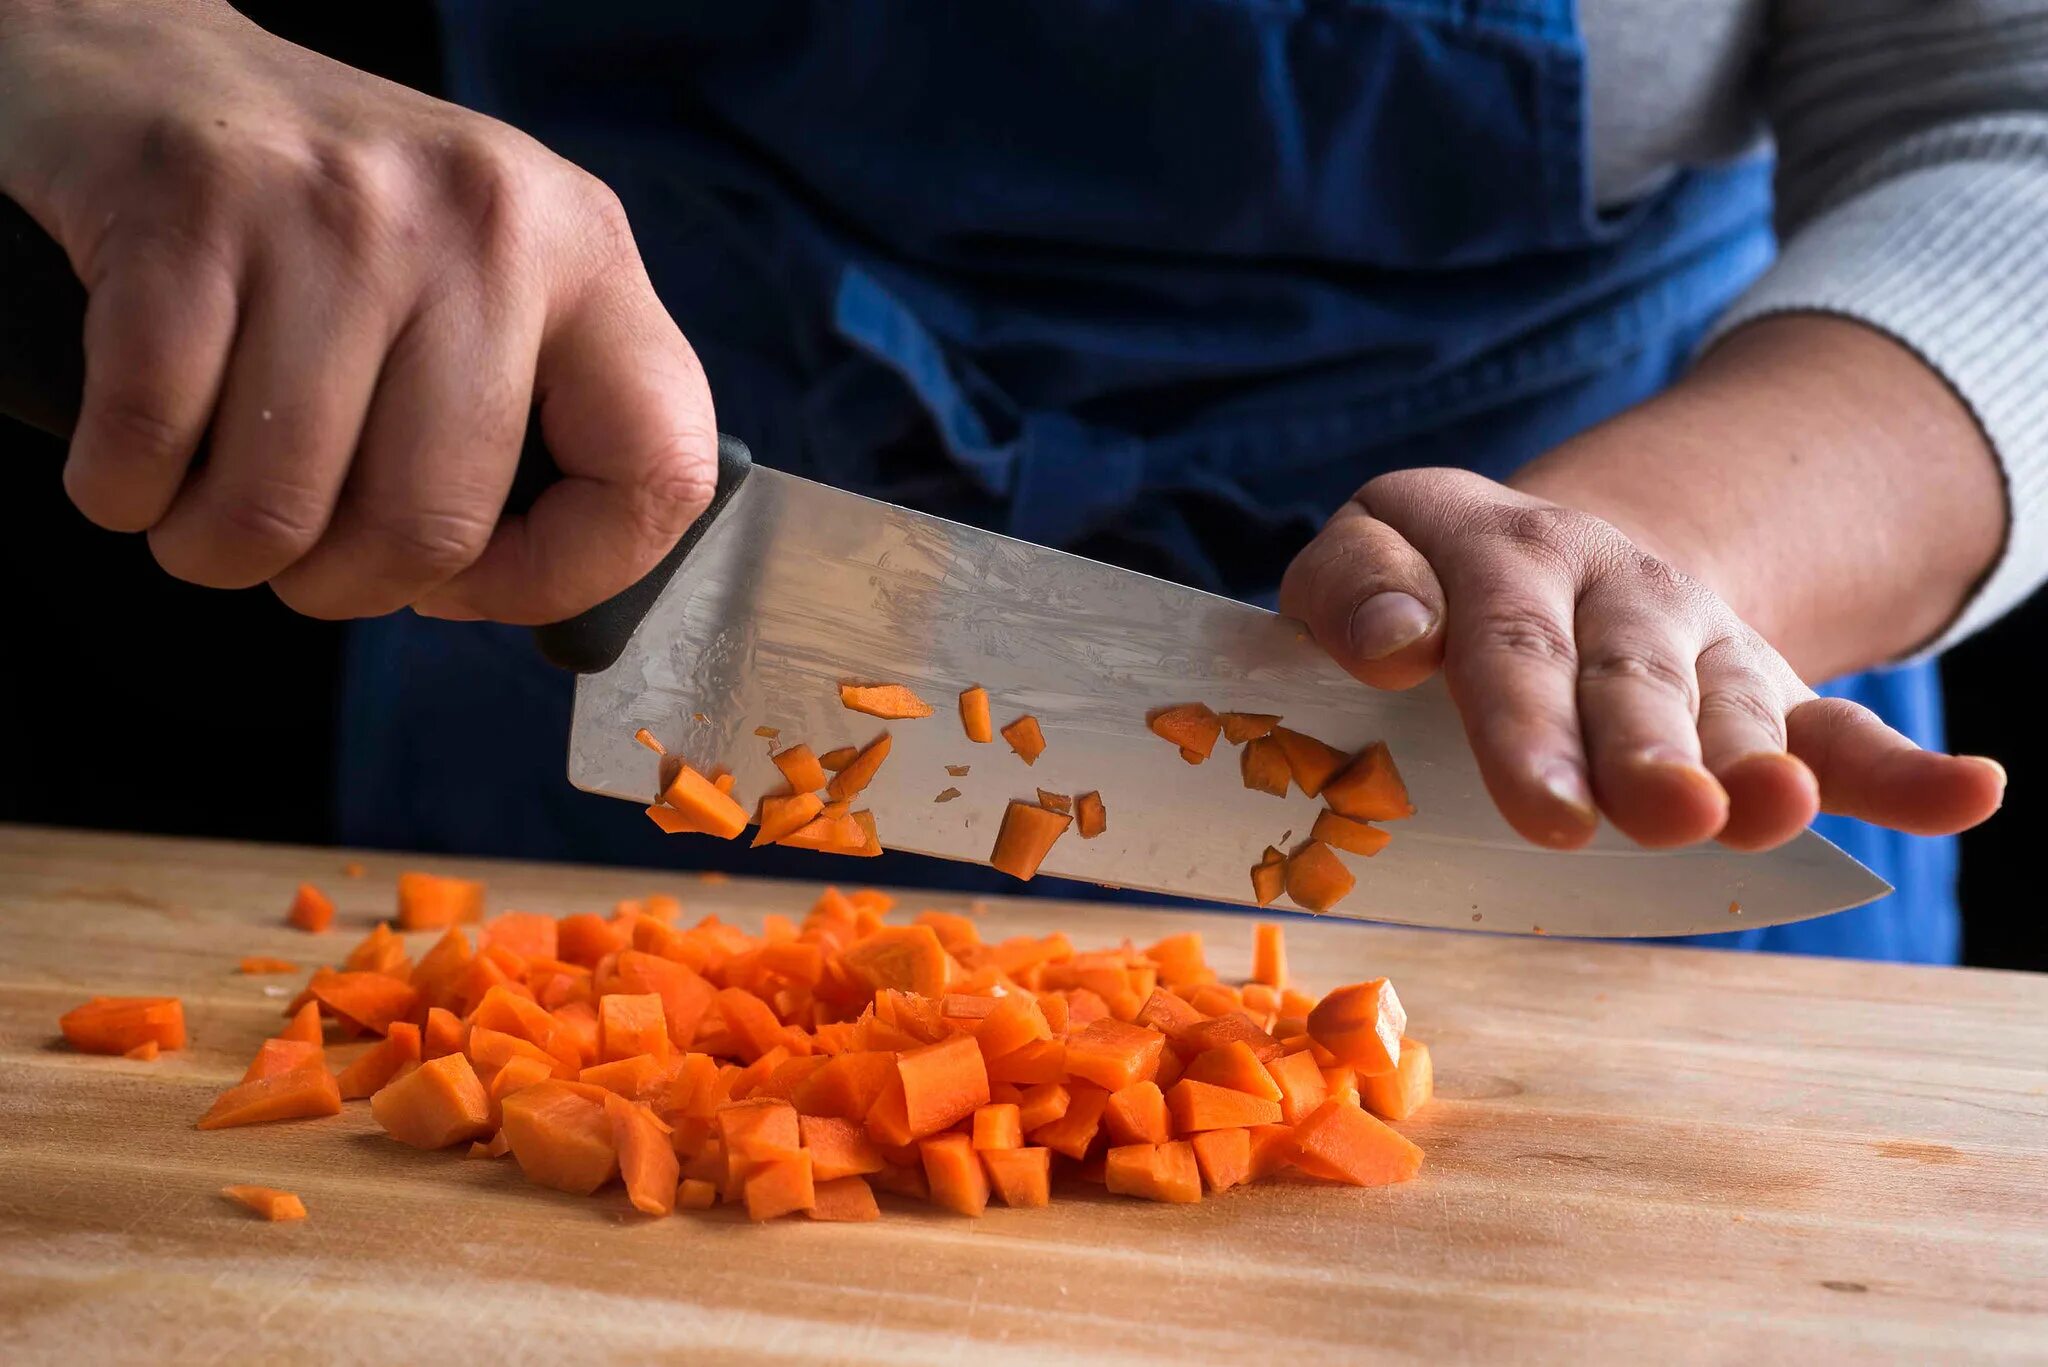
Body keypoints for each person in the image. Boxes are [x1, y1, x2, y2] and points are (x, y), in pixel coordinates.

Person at [1, 0, 2034, 961]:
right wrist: (82, 42)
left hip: (1607, 715)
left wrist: (1657, 549)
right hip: (568, 513)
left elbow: (2004, 119)